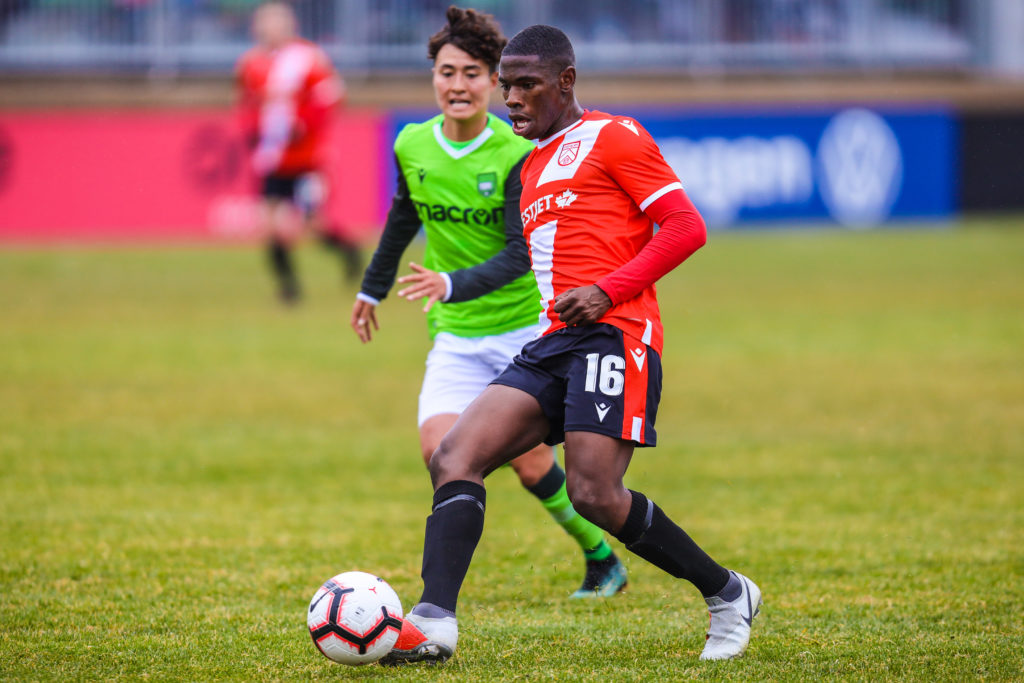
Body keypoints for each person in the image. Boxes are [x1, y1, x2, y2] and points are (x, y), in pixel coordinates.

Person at [389, 24, 761, 664]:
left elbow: (685, 226)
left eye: (526, 85)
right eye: (506, 87)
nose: (512, 99)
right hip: (554, 344)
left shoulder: (614, 136)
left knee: (594, 493)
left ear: (566, 81)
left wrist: (606, 292)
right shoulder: (530, 165)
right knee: (454, 457)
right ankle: (434, 624)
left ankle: (728, 594)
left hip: (615, 336)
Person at [350, 6, 628, 623]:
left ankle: (600, 555)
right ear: (433, 77)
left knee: (528, 464)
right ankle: (448, 590)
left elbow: (520, 255)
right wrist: (372, 289)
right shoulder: (411, 143)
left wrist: (450, 281)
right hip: (453, 332)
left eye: (472, 73)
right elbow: (404, 218)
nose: (457, 85)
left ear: (493, 83)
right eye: (446, 72)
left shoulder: (513, 152)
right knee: (439, 452)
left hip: (521, 330)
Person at [237, 1, 360, 304]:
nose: (269, 28)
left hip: (307, 159)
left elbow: (330, 97)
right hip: (272, 159)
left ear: (289, 24)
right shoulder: (250, 64)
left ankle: (349, 251)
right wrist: (251, 132)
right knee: (269, 224)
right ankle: (289, 289)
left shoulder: (308, 58)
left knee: (311, 225)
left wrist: (303, 126)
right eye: (264, 22)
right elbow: (246, 104)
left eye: (275, 21)